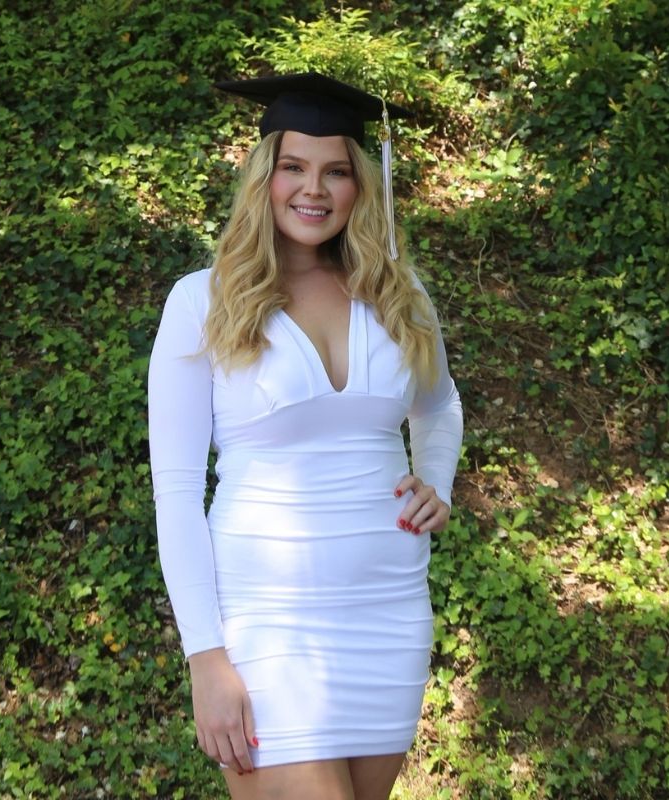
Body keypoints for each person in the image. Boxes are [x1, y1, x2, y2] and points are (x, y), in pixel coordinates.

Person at [148, 72, 463, 800]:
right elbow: (174, 493)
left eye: (335, 171)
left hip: (388, 617)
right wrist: (206, 658)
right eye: (293, 166)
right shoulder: (203, 301)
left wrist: (437, 481)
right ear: (264, 175)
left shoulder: (398, 294)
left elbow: (439, 404)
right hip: (265, 623)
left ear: (360, 186)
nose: (312, 189)